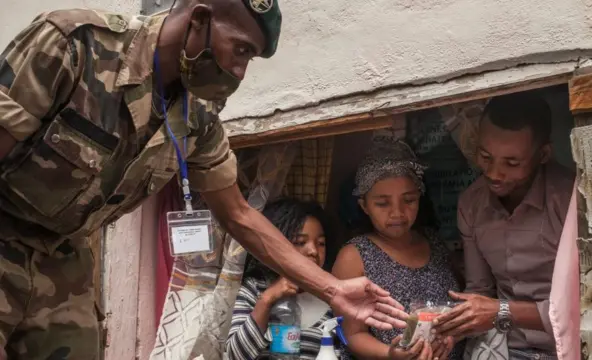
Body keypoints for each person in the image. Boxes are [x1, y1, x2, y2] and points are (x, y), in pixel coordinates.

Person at [0, 1, 405, 358]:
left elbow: (239, 215)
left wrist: (333, 289)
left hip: (64, 256)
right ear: (198, 20)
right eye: (241, 49)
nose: (241, 71)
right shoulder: (76, 44)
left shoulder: (198, 116)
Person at [432, 92, 575, 360]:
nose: (494, 173)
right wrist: (452, 329)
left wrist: (500, 311)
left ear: (543, 154)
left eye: (511, 163)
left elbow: (587, 303)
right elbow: (480, 290)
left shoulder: (571, 201)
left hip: (572, 346)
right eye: (485, 156)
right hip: (506, 346)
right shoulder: (471, 204)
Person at [332, 137, 462, 360]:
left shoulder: (434, 242)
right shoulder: (354, 256)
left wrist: (452, 336)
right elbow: (351, 334)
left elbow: (456, 308)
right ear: (364, 205)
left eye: (409, 200)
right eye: (383, 203)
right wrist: (391, 354)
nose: (397, 213)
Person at [226, 198, 335, 359]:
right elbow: (235, 356)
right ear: (276, 246)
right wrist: (267, 300)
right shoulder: (256, 287)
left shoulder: (331, 293)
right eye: (300, 242)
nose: (313, 250)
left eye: (321, 243)